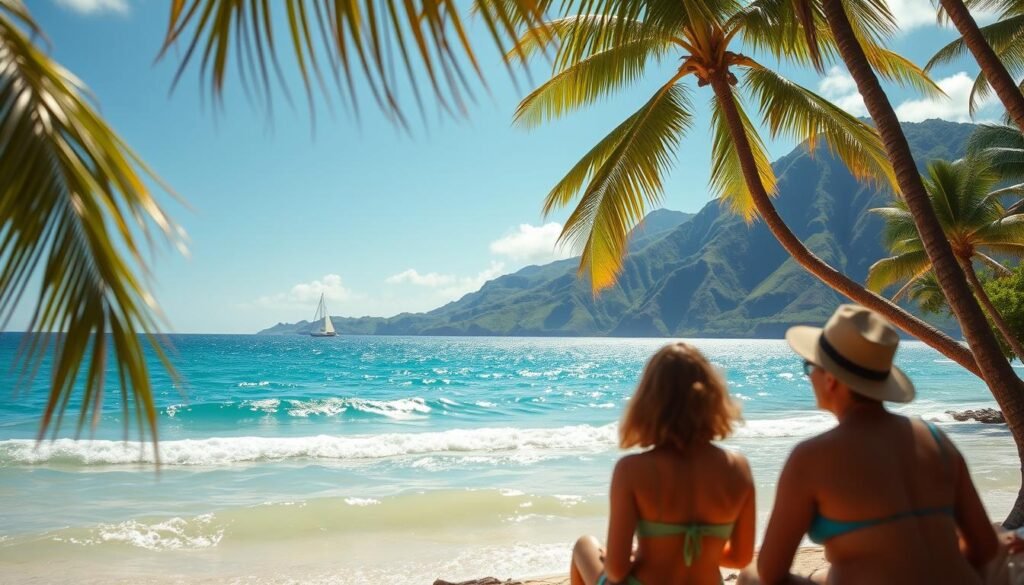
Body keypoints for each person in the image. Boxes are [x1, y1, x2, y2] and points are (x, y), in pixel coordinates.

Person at [745, 304, 999, 584]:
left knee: (751, 576)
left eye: (810, 367)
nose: (809, 377)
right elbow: (985, 546)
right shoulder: (937, 440)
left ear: (830, 379)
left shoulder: (812, 457)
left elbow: (772, 572)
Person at [571, 342, 755, 585]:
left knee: (585, 546)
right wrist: (693, 548)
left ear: (648, 403)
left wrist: (647, 554)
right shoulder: (737, 468)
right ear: (712, 398)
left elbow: (617, 570)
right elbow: (741, 559)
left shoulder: (631, 470)